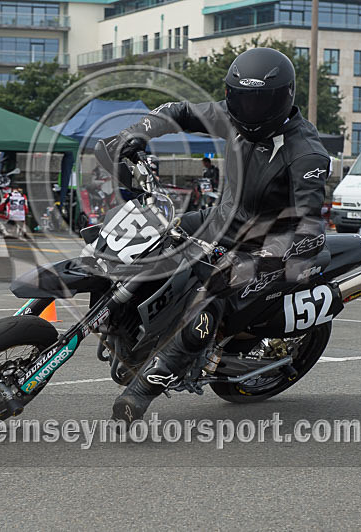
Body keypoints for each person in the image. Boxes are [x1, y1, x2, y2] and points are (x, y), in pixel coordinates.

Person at [104, 47, 331, 422]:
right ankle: (124, 319)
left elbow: (308, 227)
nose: (247, 110)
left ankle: (144, 388)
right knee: (144, 231)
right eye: (240, 99)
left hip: (266, 245)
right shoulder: (233, 116)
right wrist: (134, 136)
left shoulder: (306, 154)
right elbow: (176, 112)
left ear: (283, 98)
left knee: (211, 299)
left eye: (259, 102)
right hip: (218, 221)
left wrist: (262, 259)